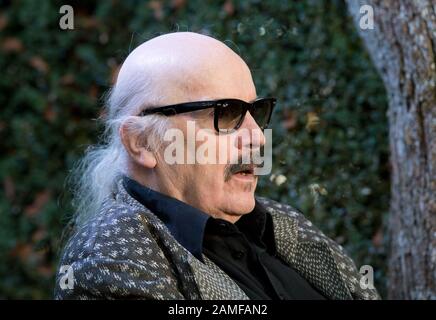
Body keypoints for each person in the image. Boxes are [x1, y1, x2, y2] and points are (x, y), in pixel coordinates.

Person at [55, 32, 379, 300]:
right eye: (225, 113)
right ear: (140, 143)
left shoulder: (280, 222)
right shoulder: (110, 253)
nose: (257, 138)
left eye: (257, 112)